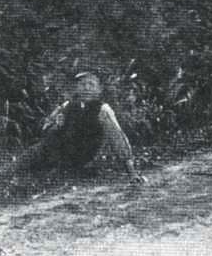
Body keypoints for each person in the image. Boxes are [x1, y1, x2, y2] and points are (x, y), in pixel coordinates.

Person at [11, 71, 145, 184]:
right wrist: (55, 126)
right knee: (25, 160)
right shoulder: (68, 105)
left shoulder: (102, 109)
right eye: (82, 84)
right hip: (56, 150)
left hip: (80, 156)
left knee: (51, 172)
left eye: (91, 85)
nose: (86, 88)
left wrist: (131, 172)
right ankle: (8, 180)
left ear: (99, 89)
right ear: (76, 88)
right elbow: (45, 128)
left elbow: (117, 138)